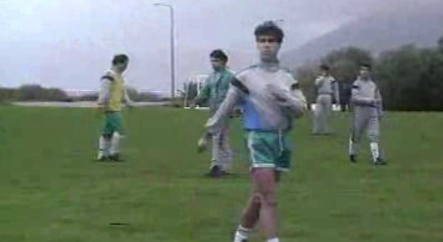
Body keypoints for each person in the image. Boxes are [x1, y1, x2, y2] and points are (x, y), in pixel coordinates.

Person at [204, 21, 307, 242]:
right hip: (257, 138)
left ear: (279, 44)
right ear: (257, 44)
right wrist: (208, 132)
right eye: (262, 41)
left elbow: (300, 110)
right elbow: (225, 108)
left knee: (259, 195)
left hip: (281, 140)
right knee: (269, 197)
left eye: (271, 41)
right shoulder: (245, 77)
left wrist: (285, 98)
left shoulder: (287, 77)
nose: (266, 45)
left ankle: (240, 236)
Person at [194, 50, 236, 177]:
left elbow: (237, 93)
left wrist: (236, 108)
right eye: (212, 60)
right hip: (214, 110)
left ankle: (215, 166)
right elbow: (205, 90)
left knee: (217, 136)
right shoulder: (211, 77)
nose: (213, 63)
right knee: (222, 138)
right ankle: (224, 166)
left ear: (223, 61)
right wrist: (198, 99)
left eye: (216, 60)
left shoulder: (230, 76)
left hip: (225, 110)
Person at [96, 54, 134, 161]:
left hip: (116, 107)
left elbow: (122, 91)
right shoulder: (109, 75)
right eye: (126, 64)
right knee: (119, 131)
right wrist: (101, 103)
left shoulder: (119, 77)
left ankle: (102, 154)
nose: (126, 67)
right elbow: (104, 91)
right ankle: (113, 154)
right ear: (120, 63)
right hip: (111, 108)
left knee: (107, 132)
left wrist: (128, 102)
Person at [349, 64, 387, 165]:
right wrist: (368, 100)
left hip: (372, 111)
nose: (364, 72)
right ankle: (353, 153)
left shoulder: (373, 85)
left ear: (370, 72)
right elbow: (355, 98)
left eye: (366, 70)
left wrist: (380, 111)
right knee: (357, 134)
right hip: (360, 111)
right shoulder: (356, 84)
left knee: (374, 134)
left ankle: (376, 158)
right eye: (362, 70)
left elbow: (379, 99)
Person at [312, 64, 339, 135]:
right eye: (322, 70)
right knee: (317, 114)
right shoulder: (319, 78)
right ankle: (316, 130)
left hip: (328, 95)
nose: (324, 72)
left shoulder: (332, 79)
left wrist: (337, 99)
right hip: (320, 95)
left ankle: (327, 130)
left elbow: (336, 89)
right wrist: (323, 77)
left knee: (328, 114)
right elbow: (317, 84)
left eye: (325, 70)